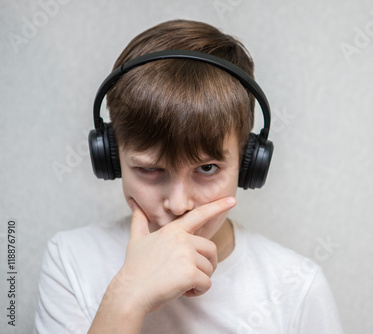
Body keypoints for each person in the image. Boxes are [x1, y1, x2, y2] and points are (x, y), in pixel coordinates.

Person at [34, 19, 343, 333]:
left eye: (207, 168)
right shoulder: (70, 259)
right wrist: (126, 297)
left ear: (248, 165)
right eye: (150, 169)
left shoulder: (297, 287)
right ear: (111, 159)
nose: (179, 205)